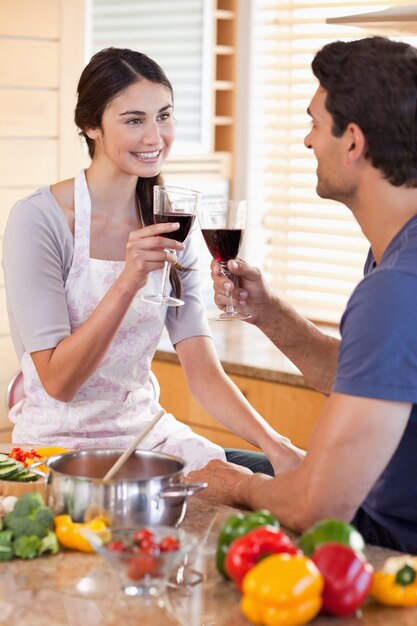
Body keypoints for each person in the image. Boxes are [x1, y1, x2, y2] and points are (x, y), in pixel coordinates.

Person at [2, 47, 303, 475]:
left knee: (266, 476)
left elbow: (202, 373)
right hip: (59, 449)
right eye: (134, 120)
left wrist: (280, 447)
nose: (154, 136)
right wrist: (128, 281)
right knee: (239, 489)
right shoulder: (39, 221)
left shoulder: (170, 223)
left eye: (164, 115)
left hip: (146, 434)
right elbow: (58, 382)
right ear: (91, 126)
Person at [188, 36, 417, 552]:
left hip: (385, 545)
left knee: (200, 487)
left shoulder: (397, 289)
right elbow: (367, 375)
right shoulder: (396, 256)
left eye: (315, 123)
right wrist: (267, 313)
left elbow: (319, 507)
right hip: (374, 509)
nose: (307, 142)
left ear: (353, 141)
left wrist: (239, 489)